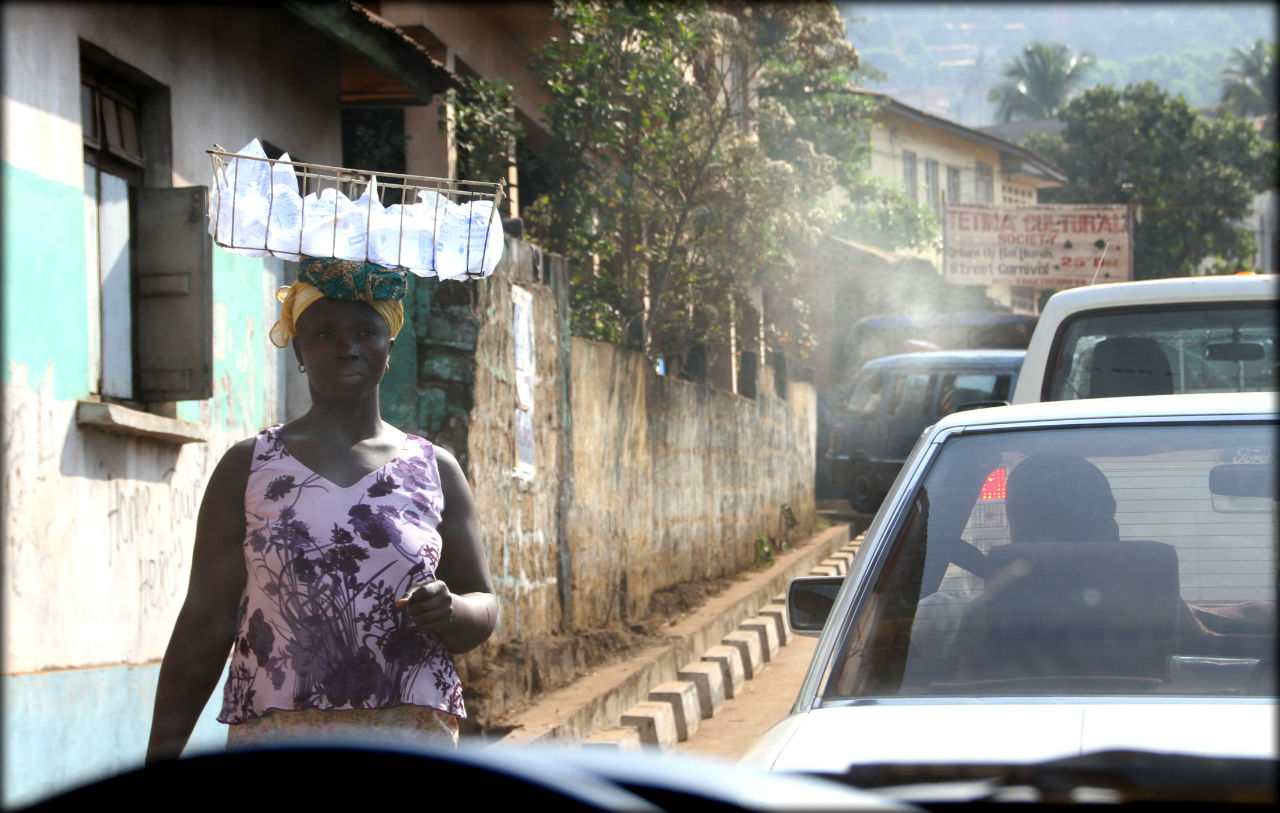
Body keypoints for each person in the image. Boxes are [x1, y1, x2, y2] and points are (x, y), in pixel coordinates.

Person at [146, 258, 497, 763]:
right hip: (280, 732)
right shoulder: (249, 468)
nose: (347, 346)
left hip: (410, 732)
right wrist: (161, 754)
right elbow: (204, 623)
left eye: (365, 331)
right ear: (299, 351)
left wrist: (454, 610)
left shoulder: (434, 469)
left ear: (390, 347)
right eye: (325, 332)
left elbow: (484, 602)